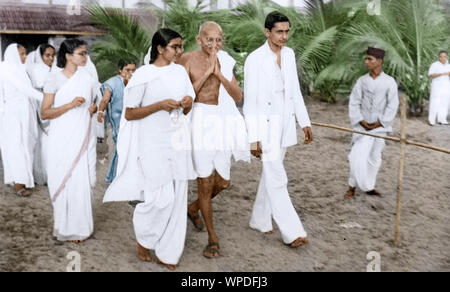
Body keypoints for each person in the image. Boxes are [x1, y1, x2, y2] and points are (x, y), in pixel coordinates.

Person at [103, 28, 196, 270]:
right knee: (159, 198)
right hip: (152, 142)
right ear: (159, 49)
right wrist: (158, 106)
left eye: (181, 46)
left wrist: (187, 103)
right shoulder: (143, 75)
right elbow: (130, 113)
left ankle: (168, 253)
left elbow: (188, 108)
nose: (180, 51)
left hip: (178, 140)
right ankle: (144, 239)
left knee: (177, 197)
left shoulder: (180, 73)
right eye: (175, 47)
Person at [243, 12, 313, 248]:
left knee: (272, 174)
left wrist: (304, 122)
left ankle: (259, 219)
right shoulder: (254, 59)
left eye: (286, 31)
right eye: (279, 32)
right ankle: (292, 232)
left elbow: (294, 91)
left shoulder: (290, 55)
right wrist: (253, 138)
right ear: (267, 32)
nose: (284, 36)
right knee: (277, 177)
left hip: (284, 124)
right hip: (264, 126)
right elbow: (250, 101)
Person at [178, 21, 246, 258]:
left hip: (222, 121)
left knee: (223, 182)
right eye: (209, 39)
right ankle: (212, 239)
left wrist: (220, 75)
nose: (214, 44)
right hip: (199, 122)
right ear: (199, 40)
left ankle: (193, 208)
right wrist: (207, 73)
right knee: (205, 183)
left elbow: (238, 96)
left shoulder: (225, 61)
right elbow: (183, 97)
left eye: (218, 39)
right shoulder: (187, 59)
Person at [41, 38, 98, 243]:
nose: (85, 57)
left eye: (85, 53)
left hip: (82, 137)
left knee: (79, 180)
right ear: (67, 56)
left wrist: (93, 109)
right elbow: (45, 113)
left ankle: (79, 228)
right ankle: (63, 226)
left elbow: (94, 105)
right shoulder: (54, 80)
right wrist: (70, 105)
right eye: (81, 53)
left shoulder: (88, 79)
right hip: (61, 138)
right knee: (62, 179)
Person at [344, 47, 399, 199]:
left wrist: (379, 123)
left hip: (380, 127)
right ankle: (352, 187)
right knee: (356, 155)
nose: (366, 62)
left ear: (379, 62)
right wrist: (361, 121)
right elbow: (354, 102)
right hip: (361, 125)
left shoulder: (389, 82)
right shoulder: (362, 81)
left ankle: (369, 186)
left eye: (370, 59)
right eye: (366, 59)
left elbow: (392, 104)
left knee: (374, 157)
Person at [0, 43, 43, 197]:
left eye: (25, 53)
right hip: (11, 115)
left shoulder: (21, 70)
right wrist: (46, 99)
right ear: (13, 54)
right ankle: (19, 184)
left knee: (27, 144)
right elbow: (24, 89)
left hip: (26, 112)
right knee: (16, 147)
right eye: (22, 54)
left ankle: (23, 178)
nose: (25, 57)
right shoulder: (4, 69)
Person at [97, 59, 137, 183]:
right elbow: (104, 99)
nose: (130, 73)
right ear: (120, 70)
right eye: (127, 70)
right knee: (115, 151)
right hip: (115, 125)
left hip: (131, 123)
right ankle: (113, 179)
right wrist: (100, 112)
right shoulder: (113, 82)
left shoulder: (135, 82)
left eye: (133, 70)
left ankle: (126, 180)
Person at [26, 44, 56, 185]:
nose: (51, 58)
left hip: (56, 108)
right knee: (44, 143)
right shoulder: (36, 71)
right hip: (42, 108)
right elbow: (37, 93)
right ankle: (44, 174)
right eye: (47, 55)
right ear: (40, 56)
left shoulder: (55, 70)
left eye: (52, 55)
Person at [428, 50, 450, 125]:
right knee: (435, 102)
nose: (443, 58)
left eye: (444, 56)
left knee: (445, 102)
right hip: (437, 85)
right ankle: (432, 120)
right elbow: (430, 75)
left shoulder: (448, 65)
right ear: (438, 57)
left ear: (447, 57)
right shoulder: (434, 65)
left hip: (446, 85)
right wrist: (441, 74)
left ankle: (442, 119)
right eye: (441, 57)